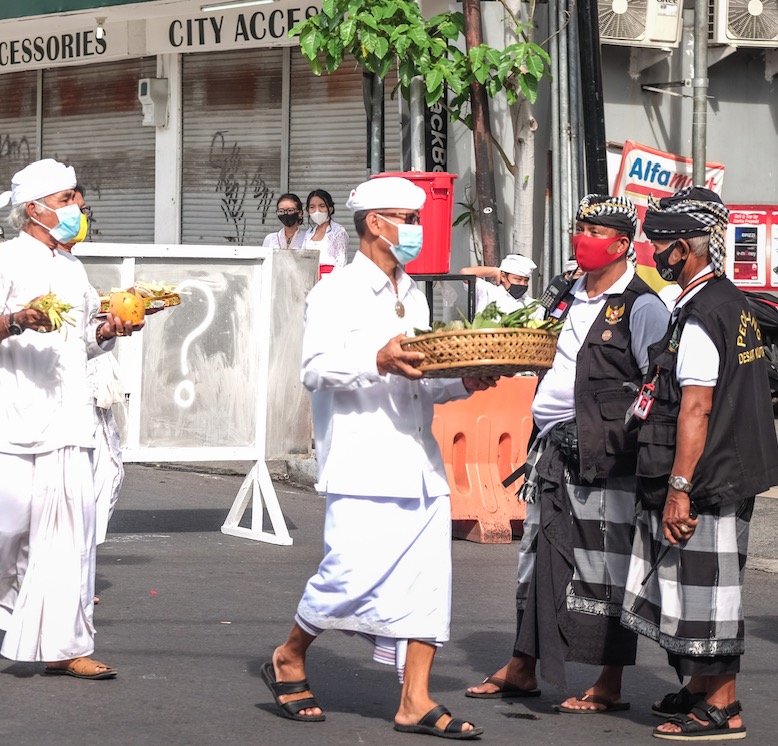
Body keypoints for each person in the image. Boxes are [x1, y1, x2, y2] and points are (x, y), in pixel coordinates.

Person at [261, 176, 494, 739]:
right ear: (374, 224)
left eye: (416, 220)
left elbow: (421, 384)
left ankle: (415, 699)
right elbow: (314, 370)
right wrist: (378, 360)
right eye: (405, 219)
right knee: (346, 574)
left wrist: (462, 380)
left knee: (426, 583)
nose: (415, 231)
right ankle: (290, 654)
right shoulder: (335, 292)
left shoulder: (411, 294)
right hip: (364, 459)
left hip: (419, 461)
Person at [465, 194, 669, 711]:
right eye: (581, 228)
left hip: (607, 456)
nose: (584, 239)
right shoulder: (565, 293)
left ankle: (609, 681)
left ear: (623, 245)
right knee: (537, 559)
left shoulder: (642, 305)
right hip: (551, 448)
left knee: (605, 566)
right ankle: (522, 665)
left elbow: (657, 386)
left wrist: (617, 433)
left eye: (596, 232)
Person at [621, 187, 778, 741]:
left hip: (709, 475)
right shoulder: (725, 302)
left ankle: (723, 707)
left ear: (684, 248)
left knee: (709, 592)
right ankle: (696, 688)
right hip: (728, 466)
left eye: (659, 243)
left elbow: (697, 405)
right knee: (688, 587)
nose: (652, 253)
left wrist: (681, 487)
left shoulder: (705, 313)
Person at [0, 159, 138, 679]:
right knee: (7, 530)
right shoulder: (7, 260)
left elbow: (81, 342)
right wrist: (17, 319)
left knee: (70, 538)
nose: (77, 208)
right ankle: (12, 613)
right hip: (12, 422)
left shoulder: (74, 269)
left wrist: (108, 332)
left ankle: (65, 645)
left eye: (76, 198)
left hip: (70, 422)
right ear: (34, 210)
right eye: (66, 200)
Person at [460, 253, 538, 314]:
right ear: (503, 277)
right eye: (518, 279)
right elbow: (465, 273)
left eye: (526, 281)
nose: (522, 284)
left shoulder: (532, 305)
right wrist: (495, 271)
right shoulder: (487, 292)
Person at [302, 188, 350, 277]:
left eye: (322, 206)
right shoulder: (309, 234)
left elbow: (341, 262)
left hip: (329, 281)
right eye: (312, 207)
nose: (317, 211)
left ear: (330, 209)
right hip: (309, 280)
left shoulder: (338, 232)